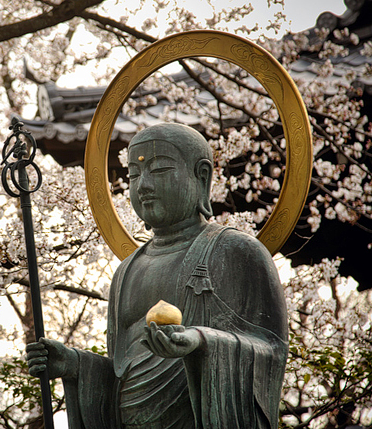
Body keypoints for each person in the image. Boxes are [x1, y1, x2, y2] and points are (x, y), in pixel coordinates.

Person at [26, 122, 288, 429]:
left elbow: (271, 350)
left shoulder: (236, 251)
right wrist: (75, 365)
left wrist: (200, 341)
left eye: (159, 169)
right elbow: (121, 372)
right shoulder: (126, 271)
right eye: (134, 175)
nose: (143, 186)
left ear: (201, 176)